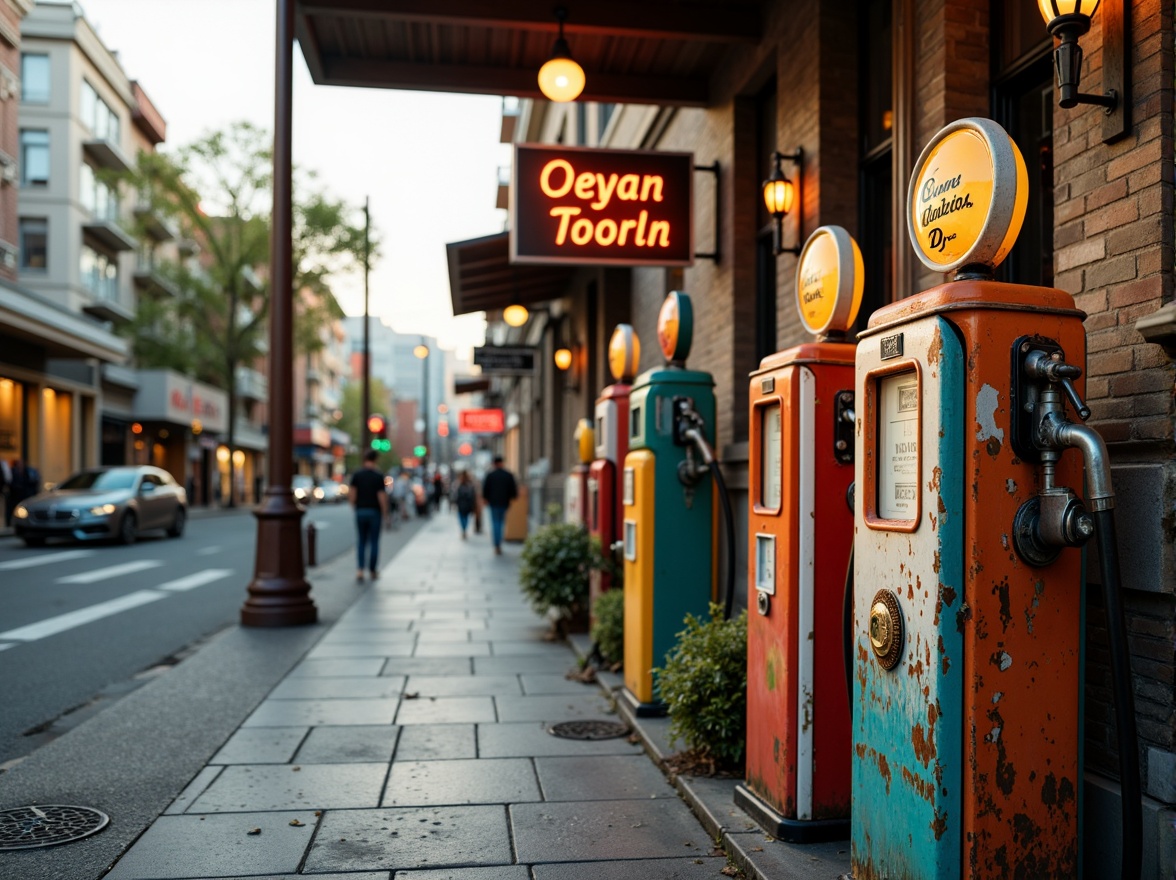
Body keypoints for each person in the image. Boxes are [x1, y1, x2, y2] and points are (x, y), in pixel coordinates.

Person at [349, 450, 388, 582]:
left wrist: (355, 505)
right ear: (375, 460)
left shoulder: (357, 475)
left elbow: (352, 495)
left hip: (360, 511)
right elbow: (381, 497)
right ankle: (372, 570)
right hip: (374, 512)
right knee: (374, 542)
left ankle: (360, 570)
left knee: (361, 541)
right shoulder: (378, 476)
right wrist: (385, 513)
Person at [481, 455, 517, 556]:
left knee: (495, 523)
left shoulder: (490, 475)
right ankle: (498, 544)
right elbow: (513, 490)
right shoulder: (508, 475)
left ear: (494, 464)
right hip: (504, 502)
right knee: (501, 522)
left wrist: (485, 499)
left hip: (493, 503)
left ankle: (496, 544)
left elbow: (485, 489)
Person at [453, 470, 476, 539]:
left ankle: (464, 529)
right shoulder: (469, 484)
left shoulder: (459, 484)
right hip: (465, 504)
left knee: (462, 518)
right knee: (465, 518)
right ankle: (464, 529)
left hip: (462, 504)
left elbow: (455, 495)